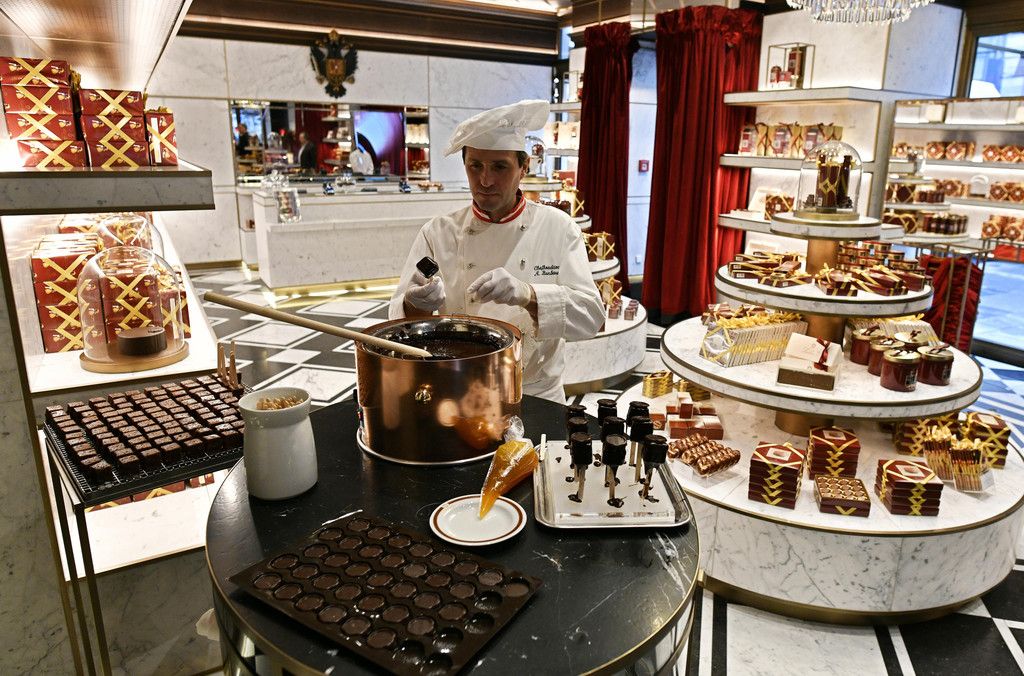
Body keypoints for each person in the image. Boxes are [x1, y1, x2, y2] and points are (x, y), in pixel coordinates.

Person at [389, 100, 604, 404]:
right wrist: (416, 304)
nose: (485, 180)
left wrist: (528, 294)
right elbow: (399, 323)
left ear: (524, 168)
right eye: (475, 166)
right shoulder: (438, 232)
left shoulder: (558, 229)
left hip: (535, 394)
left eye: (499, 167)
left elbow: (591, 317)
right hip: (459, 390)